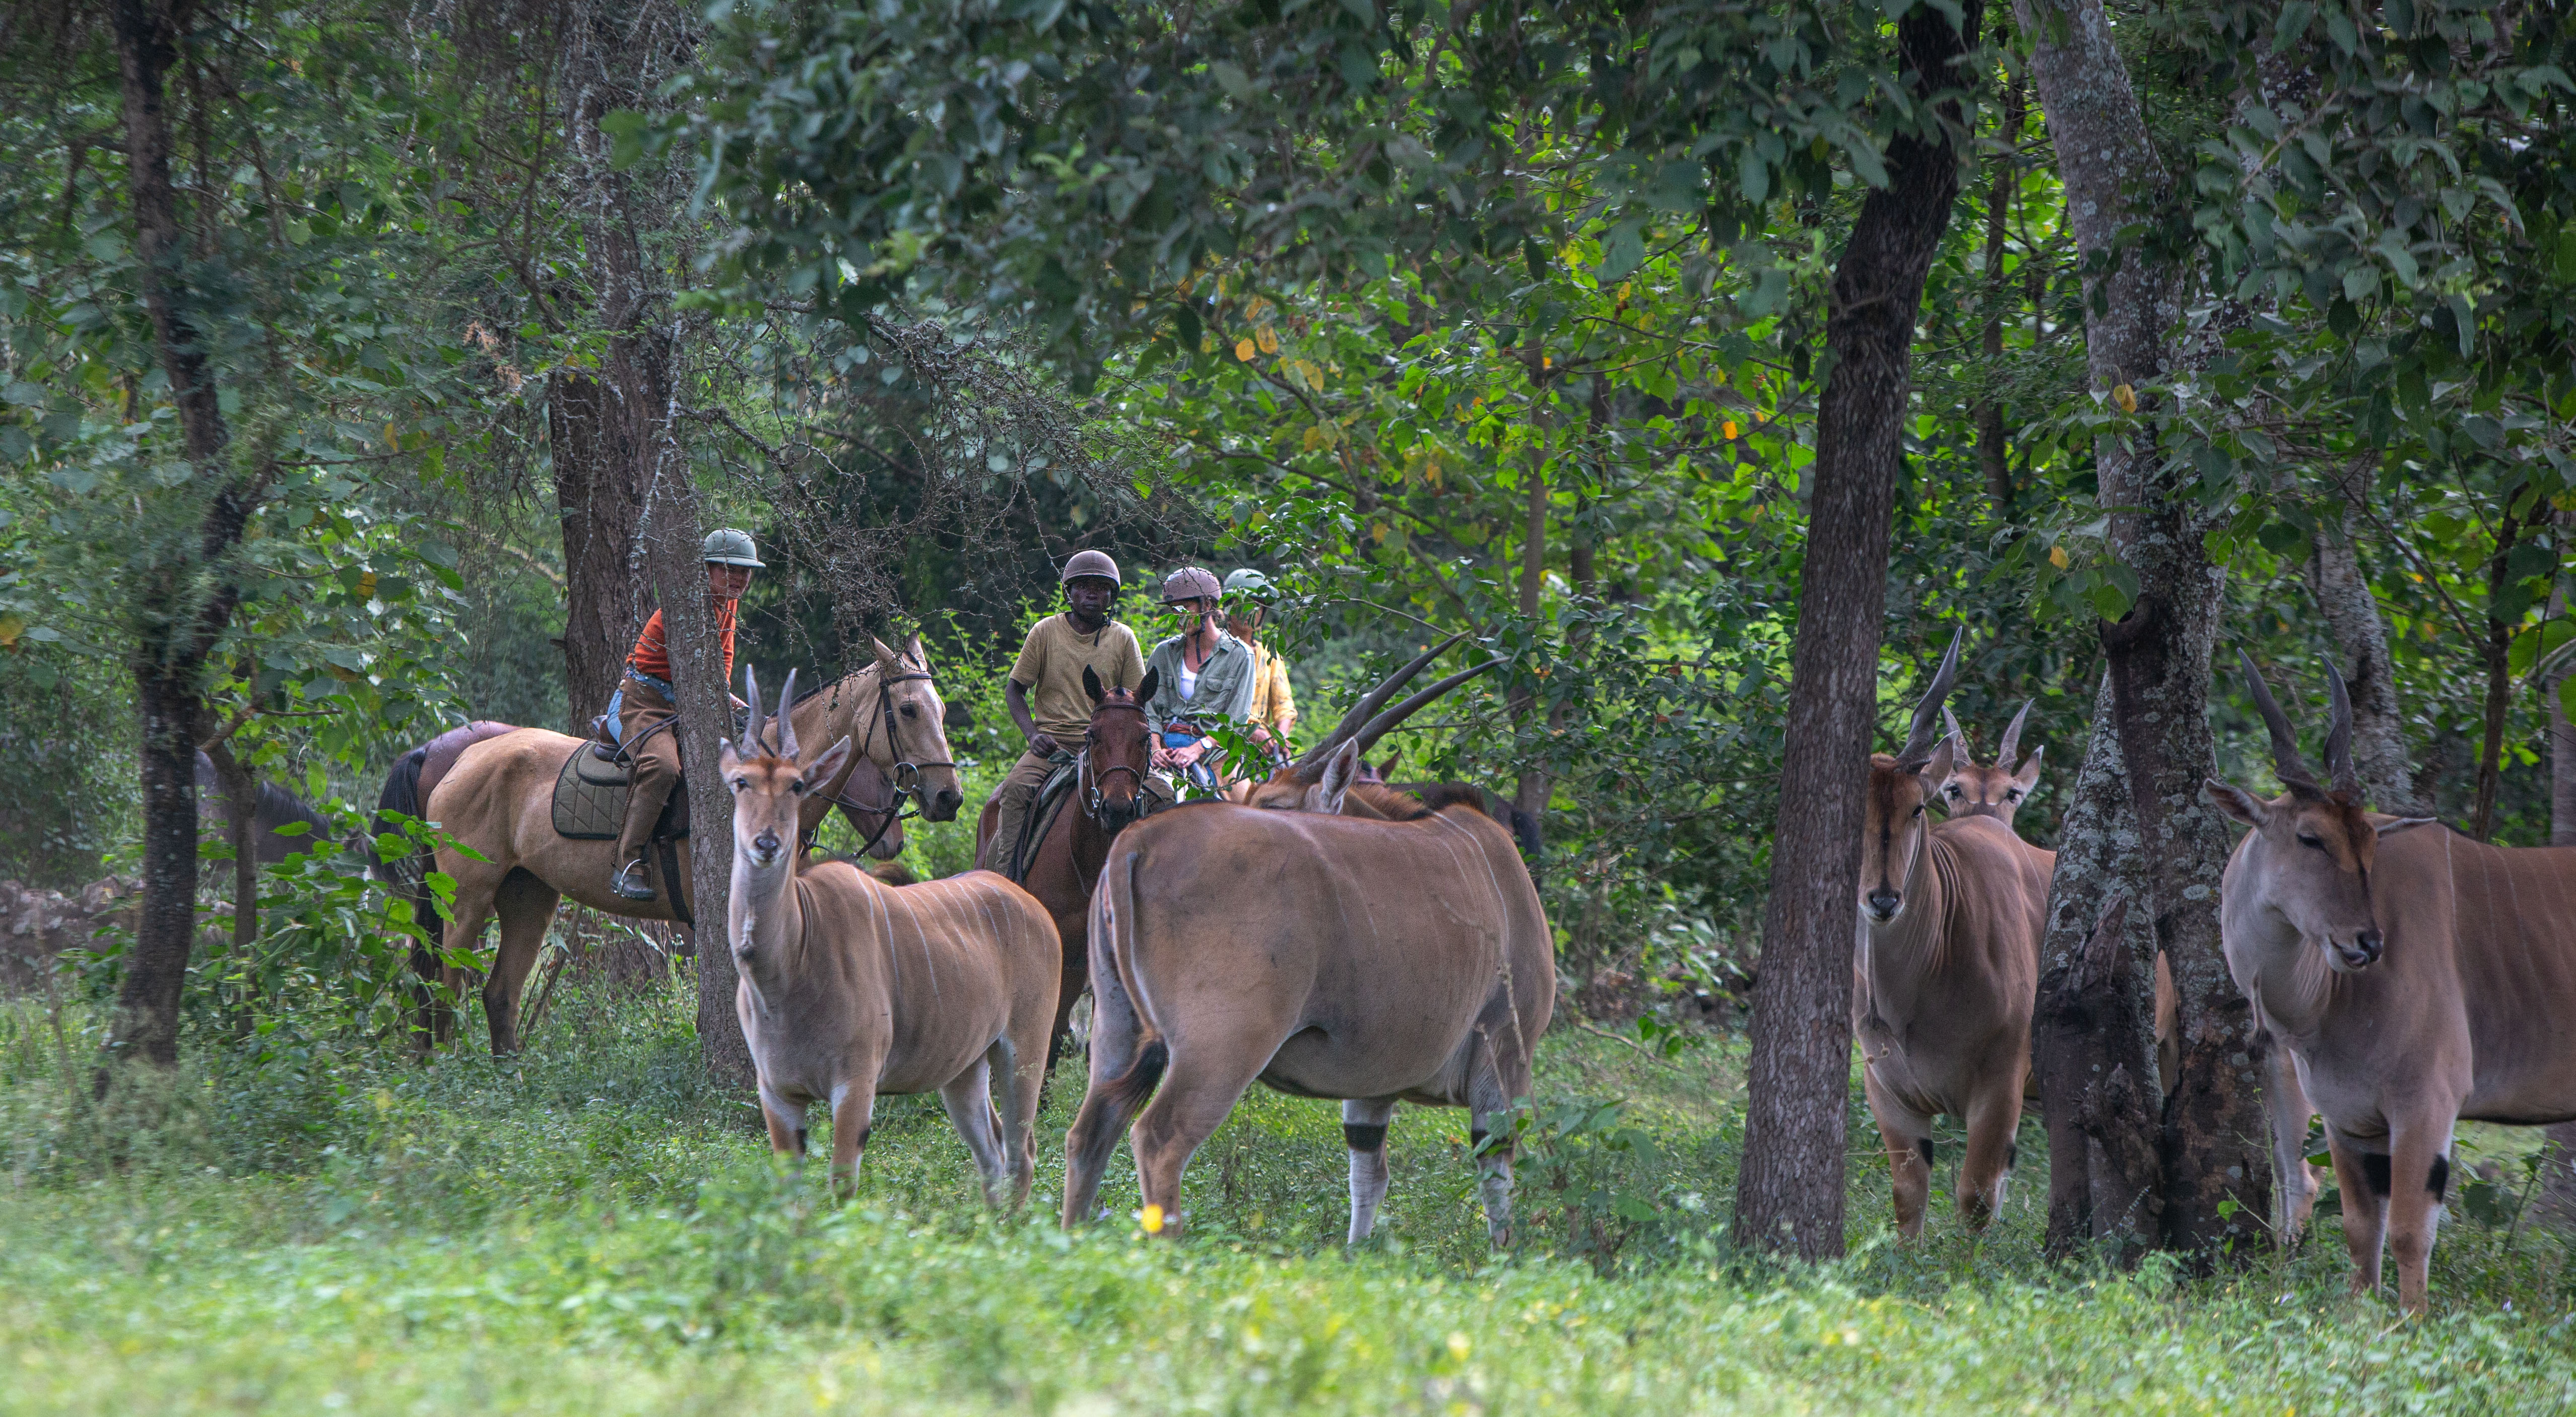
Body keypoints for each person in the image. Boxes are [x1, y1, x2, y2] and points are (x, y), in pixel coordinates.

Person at [611, 528, 761, 901]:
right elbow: (691, 675)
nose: (741, 579)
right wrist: (719, 697)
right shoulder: (687, 608)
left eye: (747, 571)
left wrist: (727, 695)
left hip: (690, 704)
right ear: (707, 570)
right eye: (731, 570)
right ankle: (626, 863)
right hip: (645, 700)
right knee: (663, 766)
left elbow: (722, 660)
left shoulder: (728, 603)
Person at [983, 549, 1149, 876]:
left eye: (1100, 587)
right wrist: (1032, 735)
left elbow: (1136, 700)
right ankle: (1003, 881)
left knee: (1162, 793)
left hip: (1108, 745)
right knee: (1015, 790)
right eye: (1083, 586)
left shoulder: (1123, 638)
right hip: (1054, 745)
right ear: (1069, 592)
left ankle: (1156, 881)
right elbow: (1015, 689)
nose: (1091, 593)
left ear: (1111, 595)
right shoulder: (1045, 632)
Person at [1142, 566, 1260, 796]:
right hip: (1163, 751)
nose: (1177, 617)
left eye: (1184, 608)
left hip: (1216, 756)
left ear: (1207, 605)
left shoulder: (1240, 656)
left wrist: (1198, 748)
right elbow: (1149, 709)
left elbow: (1236, 720)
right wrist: (1156, 749)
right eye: (1172, 610)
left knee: (1248, 811)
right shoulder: (1163, 653)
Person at [1223, 567, 1297, 752]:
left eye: (1257, 605)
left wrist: (1282, 737)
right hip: (1221, 738)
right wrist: (1247, 731)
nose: (1250, 611)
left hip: (1263, 745)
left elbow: (1284, 705)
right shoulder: (1217, 650)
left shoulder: (1269, 656)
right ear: (1229, 606)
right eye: (1243, 603)